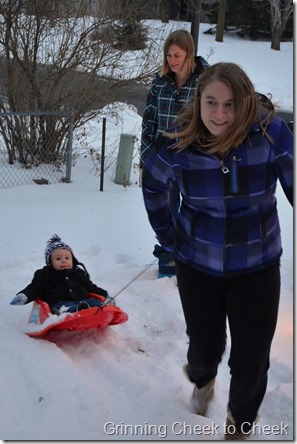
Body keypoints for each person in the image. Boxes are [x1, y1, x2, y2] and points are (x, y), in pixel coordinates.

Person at [141, 62, 293, 439]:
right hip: (197, 262)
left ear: (244, 104)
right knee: (204, 349)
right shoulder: (177, 137)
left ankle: (240, 423)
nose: (220, 114)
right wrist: (169, 236)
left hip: (257, 263)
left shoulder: (271, 133)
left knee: (252, 357)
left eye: (230, 104)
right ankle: (202, 379)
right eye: (211, 102)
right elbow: (153, 185)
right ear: (199, 101)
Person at [140, 29, 208, 278]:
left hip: (194, 160)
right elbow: (149, 121)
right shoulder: (160, 82)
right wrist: (146, 159)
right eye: (168, 55)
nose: (172, 60)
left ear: (189, 54)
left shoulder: (206, 81)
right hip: (162, 162)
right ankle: (169, 263)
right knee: (166, 212)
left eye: (177, 55)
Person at [10, 234, 112, 314]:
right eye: (58, 259)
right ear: (50, 262)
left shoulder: (78, 272)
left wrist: (104, 295)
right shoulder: (45, 274)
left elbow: (90, 287)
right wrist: (24, 296)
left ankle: (100, 309)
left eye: (67, 258)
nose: (64, 261)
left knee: (95, 303)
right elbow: (35, 287)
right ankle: (78, 312)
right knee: (65, 308)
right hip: (59, 305)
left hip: (82, 302)